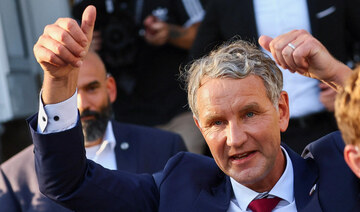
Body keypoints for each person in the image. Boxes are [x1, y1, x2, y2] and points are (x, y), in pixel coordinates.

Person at [29, 7, 359, 211]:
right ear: (200, 128)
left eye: (249, 114)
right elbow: (68, 182)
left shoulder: (340, 171)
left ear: (282, 110)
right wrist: (58, 82)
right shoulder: (178, 190)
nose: (235, 138)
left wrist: (337, 75)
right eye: (217, 122)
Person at [0, 50, 187, 211]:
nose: (82, 104)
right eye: (70, 94)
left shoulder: (164, 149)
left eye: (91, 89)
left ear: (110, 89)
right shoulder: (14, 177)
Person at [190, 0, 360, 154]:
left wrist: (345, 82)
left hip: (330, 125)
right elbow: (201, 60)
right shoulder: (225, 4)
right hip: (256, 134)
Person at [72, 0, 207, 154]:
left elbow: (206, 33)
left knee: (185, 173)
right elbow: (76, 61)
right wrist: (88, 47)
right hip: (127, 120)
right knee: (140, 177)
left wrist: (169, 33)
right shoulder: (87, 6)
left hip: (178, 111)